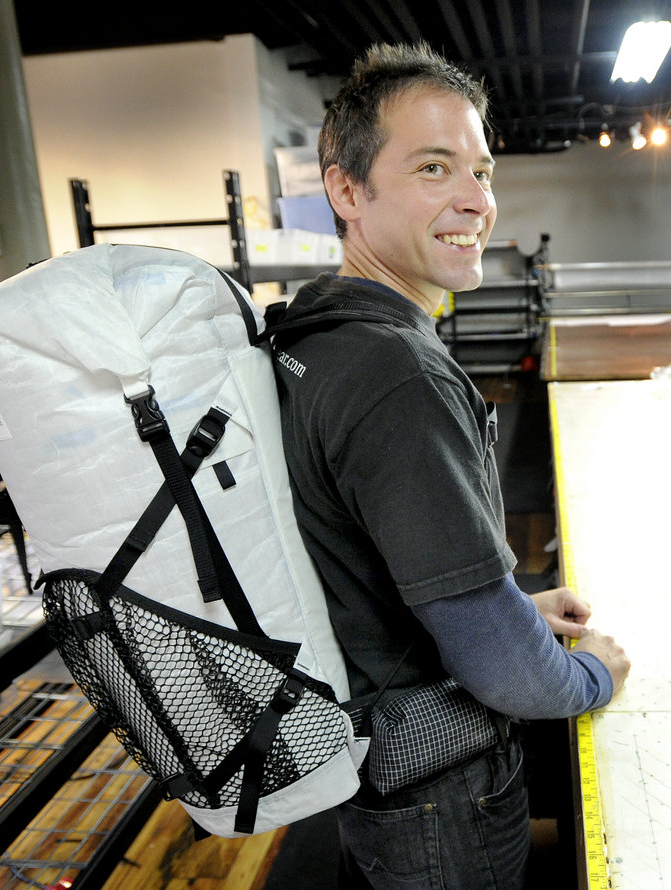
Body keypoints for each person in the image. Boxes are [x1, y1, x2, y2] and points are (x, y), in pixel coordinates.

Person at [271, 42, 630, 890]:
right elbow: (507, 677)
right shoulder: (397, 374)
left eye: (482, 169)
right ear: (347, 190)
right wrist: (593, 676)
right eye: (435, 168)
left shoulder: (312, 335)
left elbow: (371, 561)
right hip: (442, 796)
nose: (477, 202)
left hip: (380, 766)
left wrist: (507, 606)